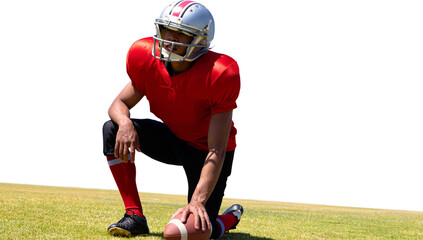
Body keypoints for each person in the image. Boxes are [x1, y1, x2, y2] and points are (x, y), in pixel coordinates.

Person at [102, 1, 243, 238]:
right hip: (175, 139)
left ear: (200, 40)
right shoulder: (145, 58)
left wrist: (197, 200)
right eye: (167, 29)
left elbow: (217, 148)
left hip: (207, 153)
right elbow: (119, 104)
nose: (169, 38)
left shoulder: (220, 72)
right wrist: (126, 123)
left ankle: (227, 220)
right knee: (112, 128)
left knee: (190, 232)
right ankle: (134, 215)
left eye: (180, 33)